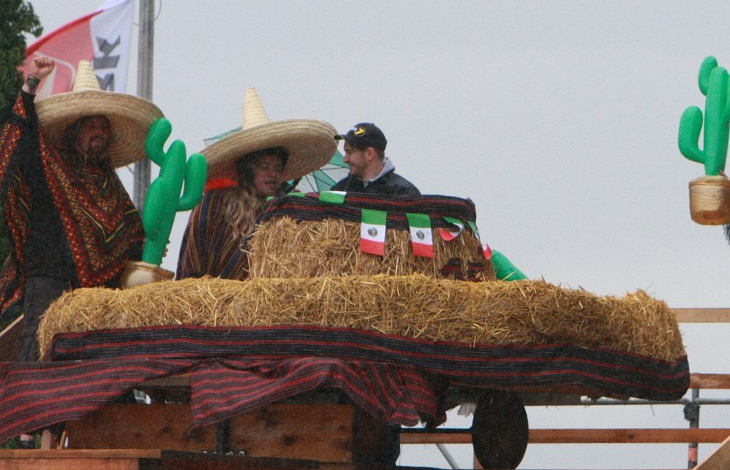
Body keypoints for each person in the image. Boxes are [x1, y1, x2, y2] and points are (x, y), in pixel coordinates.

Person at [0, 55, 159, 361]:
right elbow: (21, 140)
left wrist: (147, 256)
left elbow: (132, 237)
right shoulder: (48, 167)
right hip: (50, 289)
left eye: (103, 125)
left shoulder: (110, 187)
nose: (98, 131)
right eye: (90, 125)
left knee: (97, 379)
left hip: (97, 305)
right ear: (74, 131)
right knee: (40, 364)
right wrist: (31, 83)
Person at [177, 88, 337, 279]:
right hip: (212, 300)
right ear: (248, 169)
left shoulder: (283, 210)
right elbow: (193, 258)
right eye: (265, 166)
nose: (273, 174)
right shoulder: (216, 202)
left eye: (278, 168)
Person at [331, 122, 420, 196]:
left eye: (349, 152)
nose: (345, 159)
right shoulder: (339, 190)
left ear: (370, 154)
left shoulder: (404, 193)